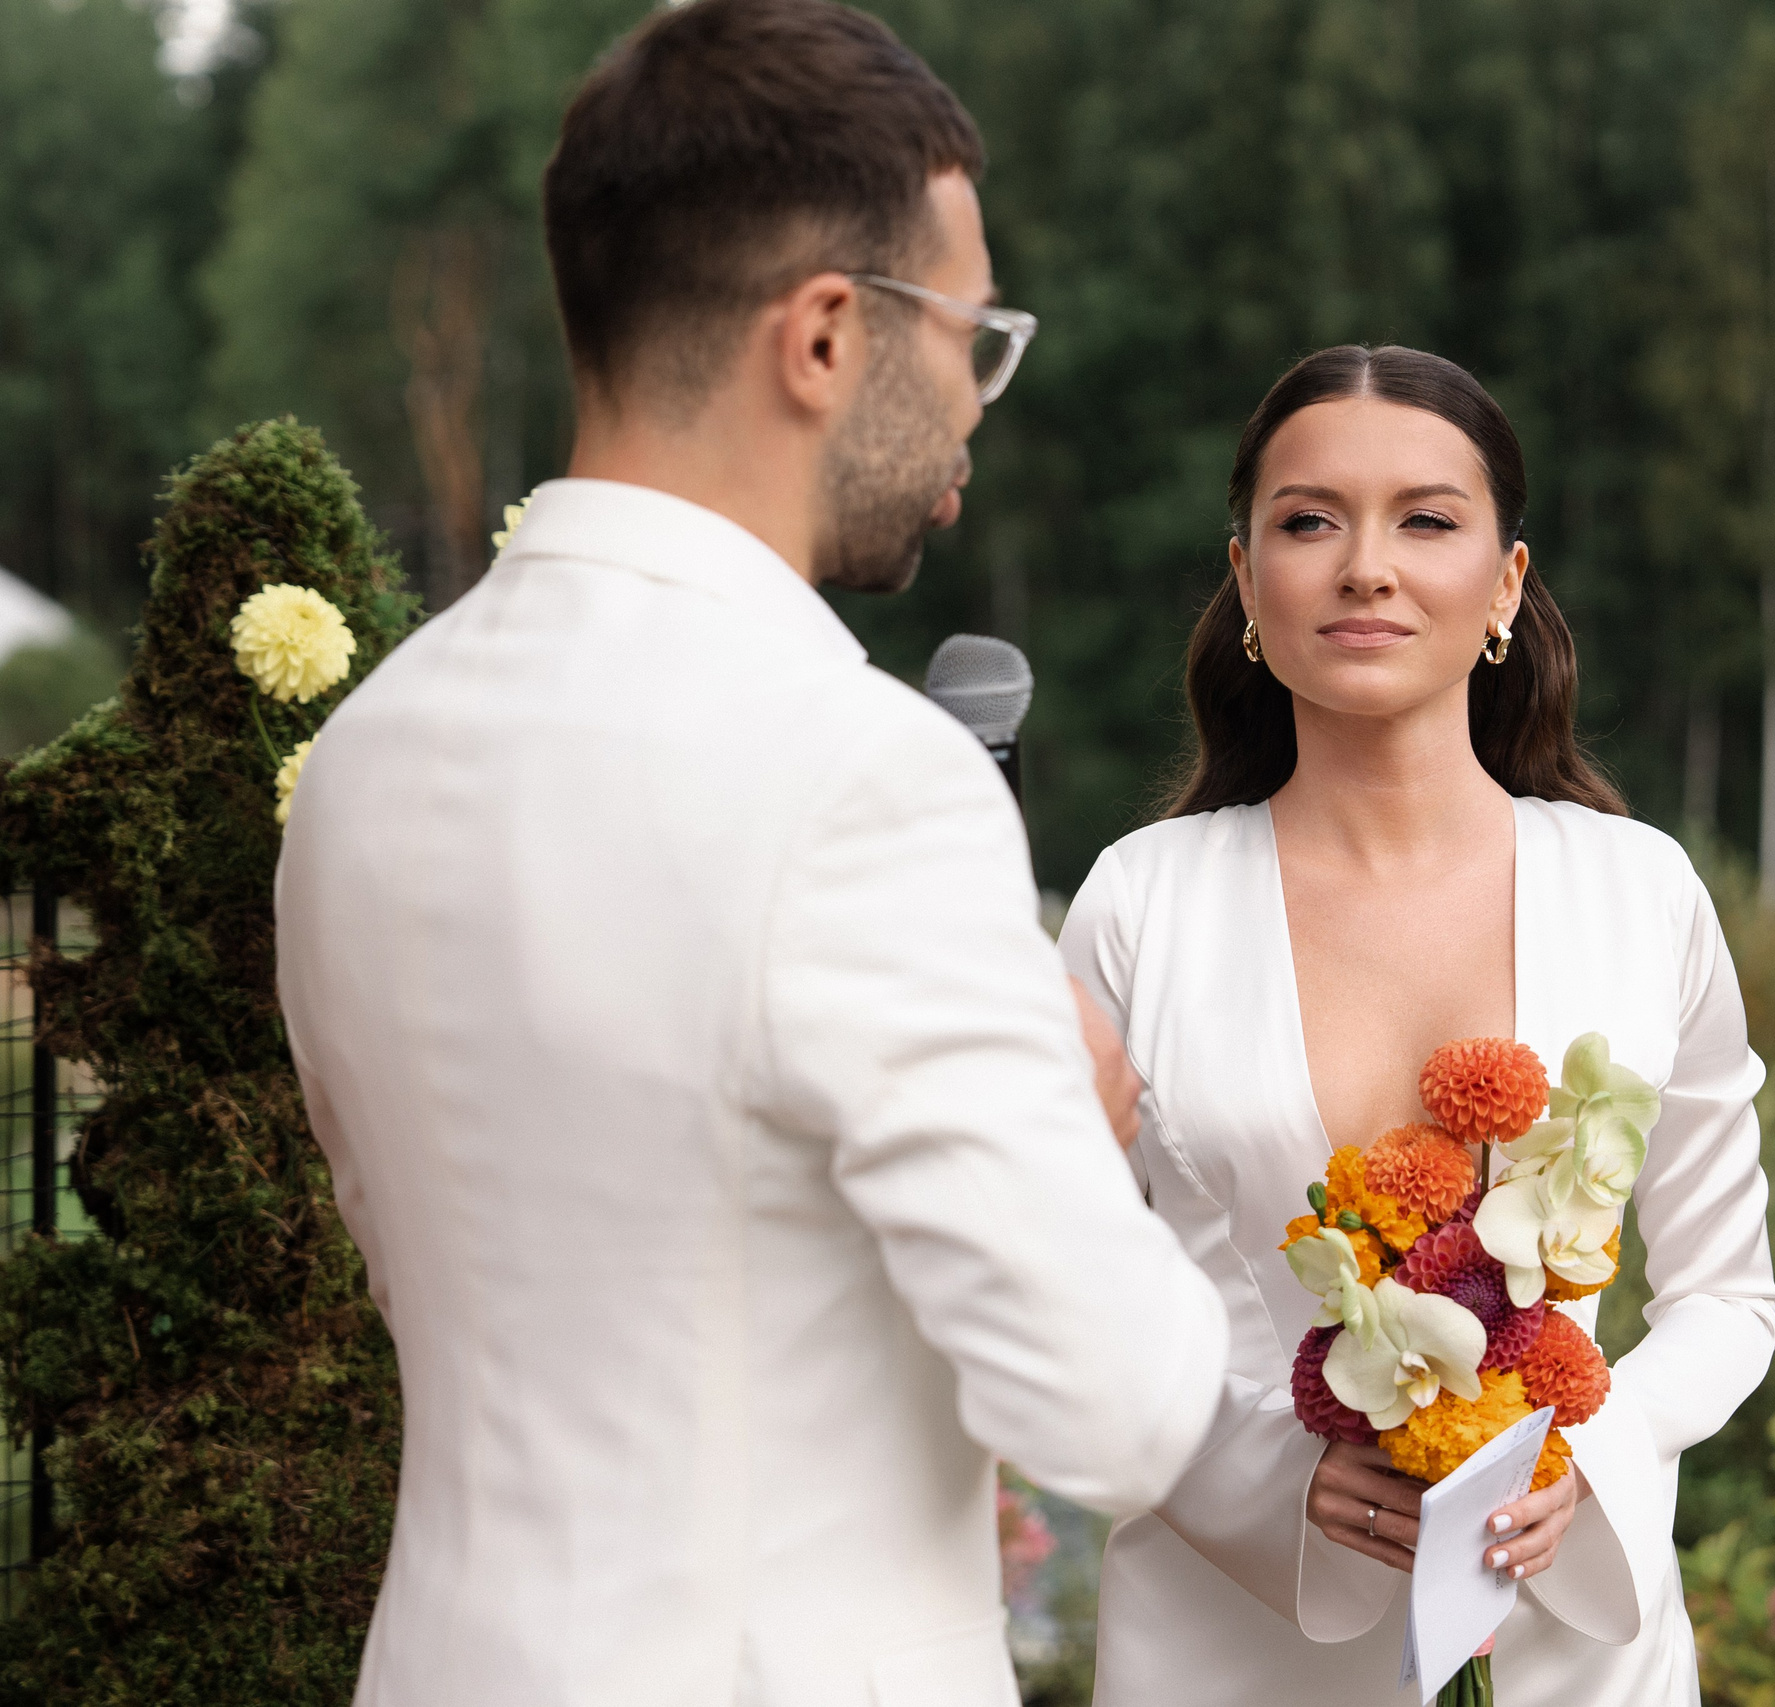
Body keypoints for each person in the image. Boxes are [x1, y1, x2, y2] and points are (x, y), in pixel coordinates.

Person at [272, 5, 1228, 1704]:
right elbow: (1119, 1411)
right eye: (969, 338)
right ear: (827, 337)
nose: (975, 406)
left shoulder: (363, 758)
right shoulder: (863, 776)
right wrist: (1078, 1127)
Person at [1059, 345, 1775, 1704]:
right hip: (1229, 1638)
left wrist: (1588, 1458)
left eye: (1428, 520)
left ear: (1506, 583)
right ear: (1246, 579)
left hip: (1574, 1649)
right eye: (1310, 521)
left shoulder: (1642, 893)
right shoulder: (1137, 907)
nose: (1365, 567)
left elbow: (1727, 1299)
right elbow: (1067, 1289)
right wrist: (1275, 1484)